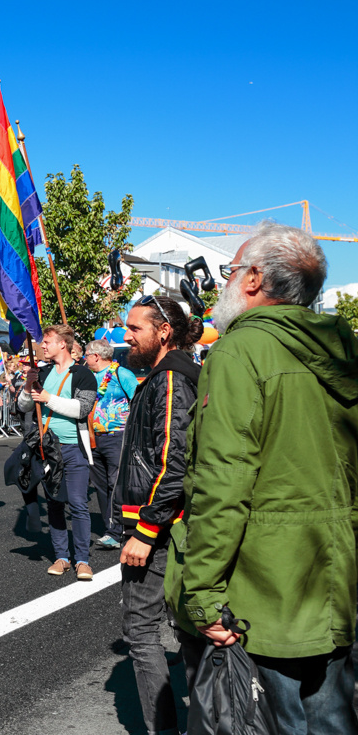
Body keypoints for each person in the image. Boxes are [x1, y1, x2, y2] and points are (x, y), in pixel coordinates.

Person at [166, 223, 358, 733]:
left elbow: (221, 484)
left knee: (270, 719)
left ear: (253, 279)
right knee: (332, 719)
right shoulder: (344, 352)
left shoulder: (240, 351)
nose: (225, 281)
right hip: (334, 583)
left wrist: (202, 594)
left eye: (230, 270)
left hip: (265, 591)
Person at [111, 295, 201, 735]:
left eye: (135, 328)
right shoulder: (167, 375)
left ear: (163, 331)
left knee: (143, 632)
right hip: (162, 522)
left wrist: (145, 530)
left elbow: (173, 461)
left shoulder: (170, 379)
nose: (126, 336)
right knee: (186, 629)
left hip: (159, 527)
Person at [17, 324, 97, 580]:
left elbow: (82, 409)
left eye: (47, 341)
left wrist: (48, 398)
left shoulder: (83, 373)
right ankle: (62, 557)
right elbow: (23, 406)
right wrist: (28, 387)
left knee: (78, 503)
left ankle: (82, 560)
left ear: (63, 343)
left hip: (74, 448)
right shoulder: (42, 372)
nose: (42, 346)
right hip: (47, 449)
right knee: (54, 502)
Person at [85, 339, 138, 549]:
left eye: (87, 355)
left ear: (96, 356)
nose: (85, 359)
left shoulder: (121, 374)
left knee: (116, 484)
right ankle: (110, 527)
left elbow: (138, 402)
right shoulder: (88, 377)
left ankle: (117, 531)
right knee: (100, 485)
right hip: (93, 437)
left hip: (117, 436)